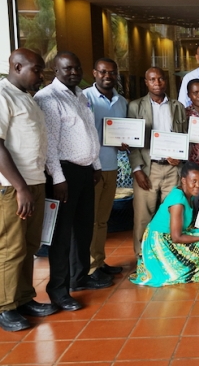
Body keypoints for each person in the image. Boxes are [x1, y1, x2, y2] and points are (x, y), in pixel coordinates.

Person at [35, 51, 110, 312]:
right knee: (61, 235)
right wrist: (58, 178)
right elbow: (49, 145)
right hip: (63, 175)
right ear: (55, 71)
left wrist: (96, 165)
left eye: (77, 67)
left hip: (85, 170)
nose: (74, 72)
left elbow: (89, 132)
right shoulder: (47, 98)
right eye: (67, 69)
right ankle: (59, 290)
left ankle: (79, 277)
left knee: (83, 229)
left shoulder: (80, 95)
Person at [0, 49, 58, 331]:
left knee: (29, 246)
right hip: (13, 188)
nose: (41, 75)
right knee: (11, 248)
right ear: (17, 66)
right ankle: (5, 307)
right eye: (36, 69)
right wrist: (20, 187)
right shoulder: (2, 96)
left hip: (34, 183)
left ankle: (23, 298)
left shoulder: (27, 98)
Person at [130, 162, 199, 287]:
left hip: (169, 237)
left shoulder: (186, 194)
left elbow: (186, 224)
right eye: (194, 181)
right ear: (183, 180)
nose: (198, 185)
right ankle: (182, 269)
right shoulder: (178, 202)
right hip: (160, 242)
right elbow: (176, 238)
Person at [127, 67, 188, 256]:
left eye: (161, 79)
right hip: (148, 168)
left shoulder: (178, 106)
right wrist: (137, 169)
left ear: (166, 81)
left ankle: (169, 256)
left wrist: (180, 156)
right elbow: (131, 140)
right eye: (152, 79)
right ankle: (142, 257)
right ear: (146, 82)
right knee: (143, 216)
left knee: (172, 215)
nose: (157, 83)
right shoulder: (135, 106)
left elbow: (185, 136)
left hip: (172, 169)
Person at [84, 58, 127, 278]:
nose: (107, 76)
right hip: (91, 167)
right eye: (103, 72)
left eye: (111, 72)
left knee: (102, 220)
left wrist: (127, 141)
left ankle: (99, 262)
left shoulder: (121, 102)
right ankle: (90, 267)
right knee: (91, 219)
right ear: (94, 73)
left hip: (111, 166)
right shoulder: (84, 98)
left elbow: (125, 133)